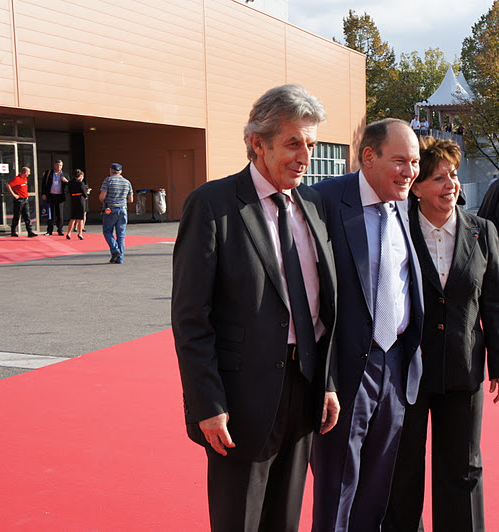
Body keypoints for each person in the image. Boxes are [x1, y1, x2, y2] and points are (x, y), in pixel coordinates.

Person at [171, 84, 339, 532]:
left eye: (311, 144)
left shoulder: (313, 205)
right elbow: (191, 318)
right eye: (293, 143)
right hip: (239, 402)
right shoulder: (212, 205)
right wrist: (207, 403)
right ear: (257, 142)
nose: (305, 156)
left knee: (285, 521)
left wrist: (326, 383)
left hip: (304, 391)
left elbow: (321, 309)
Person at [384, 137, 499, 532]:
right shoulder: (396, 229)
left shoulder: (482, 231)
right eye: (438, 178)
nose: (450, 185)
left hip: (463, 367)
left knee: (463, 468)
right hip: (407, 372)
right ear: (417, 188)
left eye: (453, 175)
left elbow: (494, 303)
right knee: (402, 469)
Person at [311, 118, 424, 532]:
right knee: (336, 489)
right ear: (369, 157)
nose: (410, 172)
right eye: (400, 161)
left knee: (377, 487)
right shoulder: (323, 200)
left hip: (395, 364)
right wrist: (323, 376)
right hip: (344, 368)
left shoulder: (404, 206)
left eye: (415, 162)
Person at [99, 163, 133, 264]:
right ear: (120, 171)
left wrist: (105, 201)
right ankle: (120, 258)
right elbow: (130, 200)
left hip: (111, 209)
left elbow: (102, 197)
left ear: (110, 171)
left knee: (107, 231)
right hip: (123, 209)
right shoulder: (127, 182)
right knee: (121, 235)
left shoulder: (108, 180)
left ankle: (115, 250)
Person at [7, 167, 38, 238]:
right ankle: (13, 231)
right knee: (17, 215)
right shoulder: (17, 179)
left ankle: (30, 231)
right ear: (25, 172)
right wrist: (14, 194)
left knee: (27, 216)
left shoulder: (25, 178)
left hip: (25, 199)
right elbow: (8, 185)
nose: (29, 173)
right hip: (19, 200)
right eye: (28, 172)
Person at [41, 159, 68, 235]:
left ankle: (60, 229)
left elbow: (69, 185)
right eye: (57, 165)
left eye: (60, 165)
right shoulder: (49, 173)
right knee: (50, 214)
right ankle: (49, 230)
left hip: (60, 196)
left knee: (59, 214)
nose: (59, 167)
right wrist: (43, 194)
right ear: (54, 165)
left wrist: (66, 181)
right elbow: (43, 184)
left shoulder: (65, 175)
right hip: (51, 195)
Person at [65, 169, 90, 240]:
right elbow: (84, 193)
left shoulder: (70, 183)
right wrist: (86, 195)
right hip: (80, 199)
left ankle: (69, 233)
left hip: (73, 198)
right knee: (80, 218)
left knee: (73, 217)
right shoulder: (80, 183)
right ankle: (80, 233)